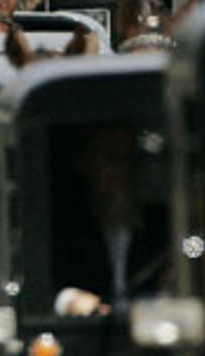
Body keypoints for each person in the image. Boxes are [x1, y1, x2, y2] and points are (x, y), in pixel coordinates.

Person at [52, 124, 169, 317]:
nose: (123, 172)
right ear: (85, 164)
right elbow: (45, 289)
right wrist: (71, 300)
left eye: (131, 160)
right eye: (112, 160)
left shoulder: (164, 228)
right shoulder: (64, 232)